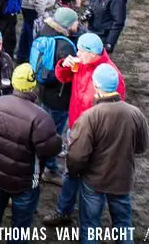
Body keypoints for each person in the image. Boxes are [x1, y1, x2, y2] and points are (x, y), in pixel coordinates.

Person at [43, 33, 125, 227]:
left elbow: (113, 113)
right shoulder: (81, 62)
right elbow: (62, 78)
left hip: (96, 136)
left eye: (81, 50)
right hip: (76, 129)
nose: (77, 53)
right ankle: (63, 211)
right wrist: (63, 65)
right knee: (70, 173)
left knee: (93, 181)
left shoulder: (110, 76)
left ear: (93, 53)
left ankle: (88, 224)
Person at [66, 64, 149, 243]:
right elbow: (142, 147)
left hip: (94, 181)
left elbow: (77, 156)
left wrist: (75, 171)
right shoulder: (135, 113)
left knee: (90, 226)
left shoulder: (90, 117)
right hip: (122, 179)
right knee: (123, 223)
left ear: (96, 86)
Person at [0, 65, 61, 244]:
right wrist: (58, 140)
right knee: (21, 225)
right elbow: (49, 150)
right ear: (33, 85)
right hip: (25, 182)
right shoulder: (41, 117)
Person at [32, 7, 81, 184]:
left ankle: (43, 158)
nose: (78, 24)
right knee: (55, 132)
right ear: (67, 23)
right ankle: (50, 168)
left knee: (44, 126)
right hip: (59, 96)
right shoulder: (65, 45)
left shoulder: (44, 32)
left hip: (44, 90)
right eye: (75, 21)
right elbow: (70, 72)